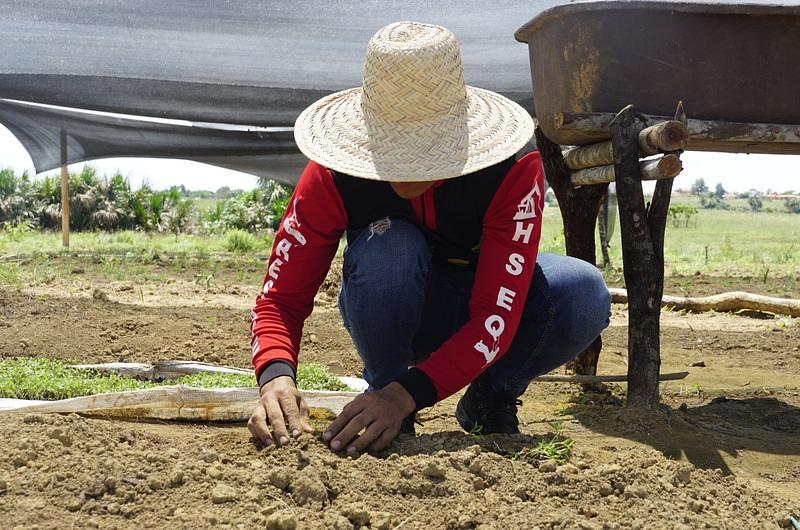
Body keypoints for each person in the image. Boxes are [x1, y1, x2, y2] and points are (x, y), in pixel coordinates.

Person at [247, 21, 610, 455]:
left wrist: (407, 394)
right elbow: (280, 299)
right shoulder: (331, 175)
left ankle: (491, 397)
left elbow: (495, 315)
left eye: (422, 151)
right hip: (391, 304)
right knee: (390, 243)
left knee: (582, 292)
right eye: (390, 150)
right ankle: (383, 391)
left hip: (483, 312)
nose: (404, 171)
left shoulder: (511, 168)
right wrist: (275, 376)